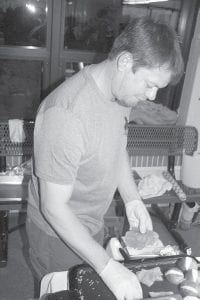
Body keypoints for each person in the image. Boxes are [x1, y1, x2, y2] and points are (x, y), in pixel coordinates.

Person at [26, 17, 184, 300]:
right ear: (124, 62)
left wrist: (132, 197)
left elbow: (116, 147)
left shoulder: (119, 95)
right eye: (149, 84)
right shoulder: (66, 115)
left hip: (91, 224)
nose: (151, 95)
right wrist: (108, 267)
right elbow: (54, 208)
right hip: (57, 234)